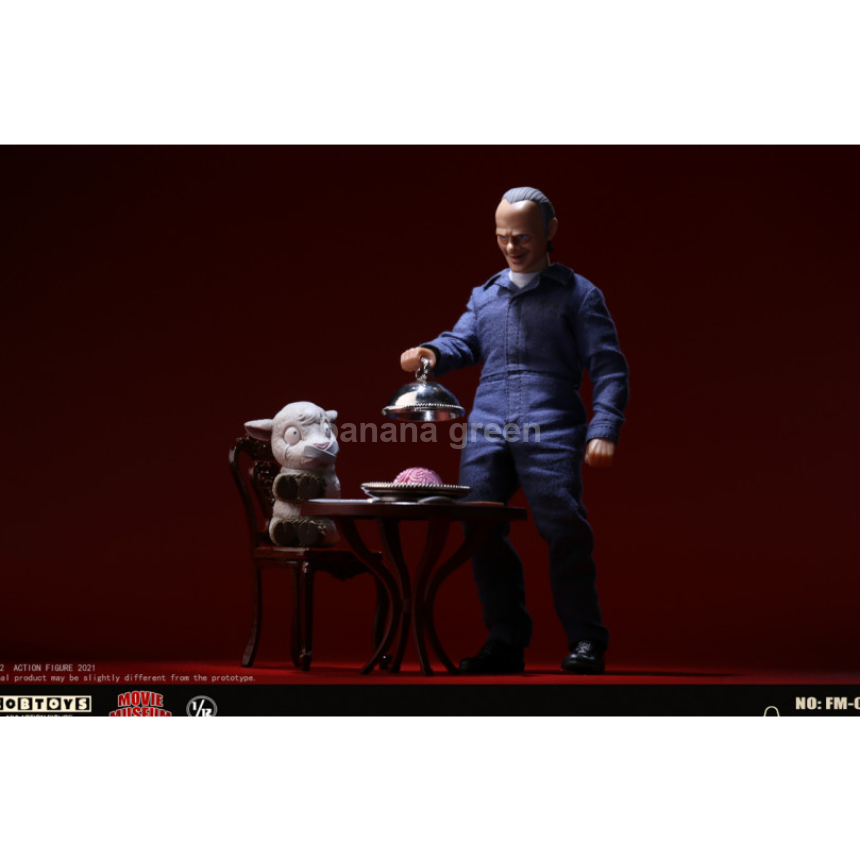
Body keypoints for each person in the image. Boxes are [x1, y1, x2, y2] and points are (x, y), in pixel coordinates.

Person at [400, 186, 629, 674]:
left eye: (521, 236)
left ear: (549, 231)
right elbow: (462, 341)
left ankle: (586, 638)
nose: (511, 246)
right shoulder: (485, 295)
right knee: (478, 527)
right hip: (486, 424)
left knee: (563, 526)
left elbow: (609, 366)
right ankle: (505, 640)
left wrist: (604, 427)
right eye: (502, 236)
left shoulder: (578, 294)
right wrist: (431, 353)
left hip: (551, 422)